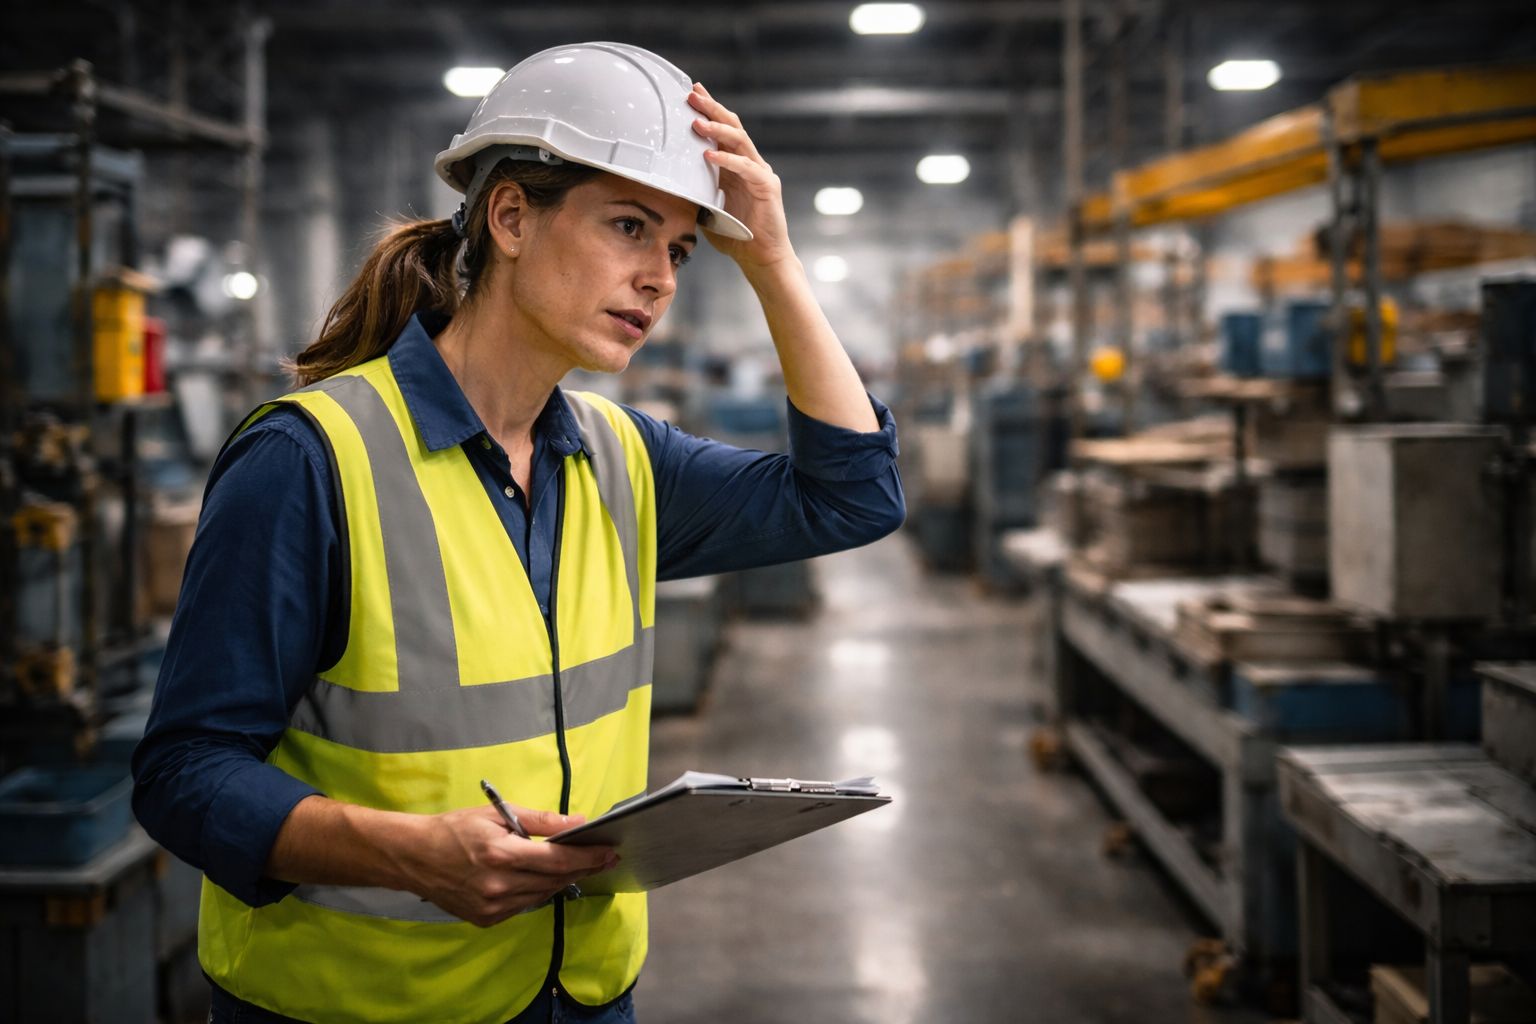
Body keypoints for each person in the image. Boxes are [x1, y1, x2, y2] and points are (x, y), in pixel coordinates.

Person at [132, 42, 903, 1024]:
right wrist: (410, 854)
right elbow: (184, 774)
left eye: (677, 249)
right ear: (509, 218)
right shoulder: (310, 460)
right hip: (362, 1005)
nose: (659, 278)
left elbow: (854, 496)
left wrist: (773, 263)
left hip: (579, 996)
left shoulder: (622, 459)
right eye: (629, 226)